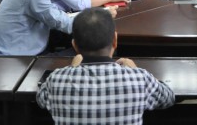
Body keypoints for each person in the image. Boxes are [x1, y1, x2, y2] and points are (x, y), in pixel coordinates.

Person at [36, 8, 175, 124]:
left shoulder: (56, 79)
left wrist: (73, 69)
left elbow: (41, 99)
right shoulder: (139, 78)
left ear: (74, 45)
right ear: (115, 40)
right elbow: (168, 98)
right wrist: (135, 69)